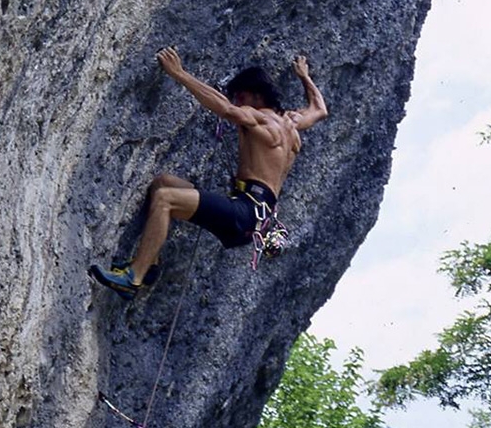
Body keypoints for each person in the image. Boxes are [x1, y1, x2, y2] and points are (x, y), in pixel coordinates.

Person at [88, 47, 328, 299]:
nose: (239, 103)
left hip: (245, 213)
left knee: (165, 199)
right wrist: (304, 76)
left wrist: (179, 74)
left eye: (241, 97)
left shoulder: (260, 119)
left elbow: (226, 110)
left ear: (256, 97)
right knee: (163, 183)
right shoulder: (292, 123)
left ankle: (132, 279)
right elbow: (320, 109)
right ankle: (150, 265)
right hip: (256, 215)